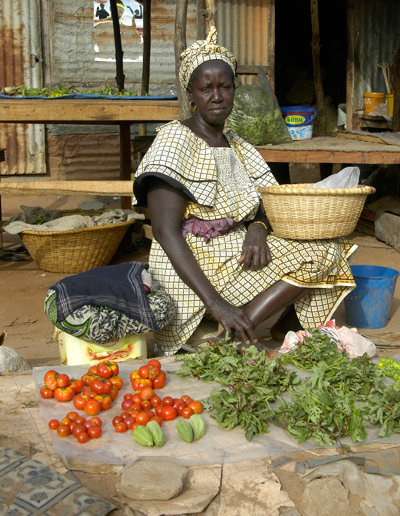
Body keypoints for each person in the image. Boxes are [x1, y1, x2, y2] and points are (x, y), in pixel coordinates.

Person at [132, 27, 357, 356]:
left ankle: (272, 326)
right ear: (191, 93)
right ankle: (235, 327)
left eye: (225, 86)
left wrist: (257, 228)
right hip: (195, 260)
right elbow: (166, 233)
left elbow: (270, 202)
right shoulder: (174, 141)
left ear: (234, 90)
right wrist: (218, 305)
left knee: (329, 247)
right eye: (206, 88)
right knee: (321, 256)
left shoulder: (237, 145)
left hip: (234, 250)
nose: (217, 96)